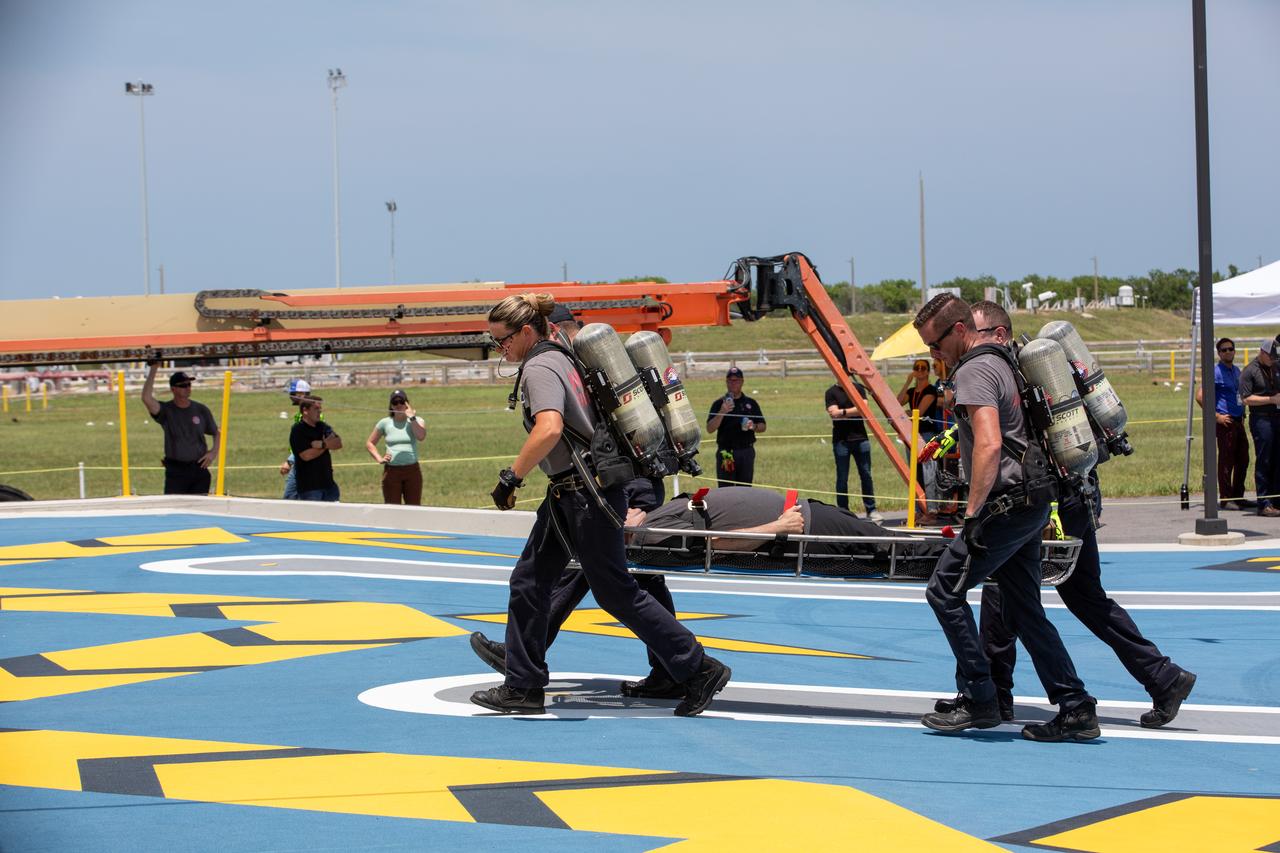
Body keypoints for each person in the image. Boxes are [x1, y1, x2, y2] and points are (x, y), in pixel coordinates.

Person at [932, 302, 1197, 729]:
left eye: (984, 332)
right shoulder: (1020, 371)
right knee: (1056, 598)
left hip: (1053, 501)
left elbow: (999, 444)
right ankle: (1156, 678)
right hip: (1068, 494)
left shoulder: (1006, 367)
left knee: (1015, 598)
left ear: (999, 333)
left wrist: (978, 511)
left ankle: (995, 695)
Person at [473, 293, 729, 717]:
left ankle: (698, 667)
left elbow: (549, 428)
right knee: (530, 582)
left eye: (501, 340)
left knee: (615, 591)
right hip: (571, 491)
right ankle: (522, 685)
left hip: (584, 494)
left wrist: (511, 477)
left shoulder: (539, 365)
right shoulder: (562, 356)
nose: (499, 349)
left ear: (525, 331)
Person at [913, 293, 1098, 742]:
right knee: (1023, 608)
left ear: (958, 331)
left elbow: (991, 444)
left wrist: (973, 516)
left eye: (935, 346)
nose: (933, 356)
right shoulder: (1004, 360)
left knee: (943, 592)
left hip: (1005, 505)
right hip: (1033, 499)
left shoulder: (975, 369)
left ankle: (980, 697)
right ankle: (1075, 706)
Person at [468, 476, 689, 699]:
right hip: (619, 481)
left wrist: (511, 478)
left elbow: (550, 438)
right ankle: (675, 670)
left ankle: (683, 668)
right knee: (613, 576)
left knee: (623, 580)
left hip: (621, 482)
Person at [140, 364, 220, 495]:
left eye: (189, 385)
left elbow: (216, 432)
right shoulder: (166, 410)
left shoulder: (201, 409)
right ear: (173, 389)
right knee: (174, 509)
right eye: (183, 385)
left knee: (199, 510)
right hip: (176, 471)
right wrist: (154, 368)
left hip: (199, 468)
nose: (187, 388)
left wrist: (213, 452)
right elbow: (146, 398)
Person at [1197, 338, 1254, 511]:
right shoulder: (1215, 372)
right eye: (1224, 350)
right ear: (1219, 353)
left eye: (1231, 349)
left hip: (1238, 420)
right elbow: (1200, 396)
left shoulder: (1236, 371)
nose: (1228, 352)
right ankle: (1226, 498)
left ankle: (1238, 496)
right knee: (1226, 460)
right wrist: (1216, 416)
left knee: (1243, 459)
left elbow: (1239, 395)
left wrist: (1242, 413)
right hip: (1225, 422)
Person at [824, 380, 881, 521]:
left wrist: (842, 412)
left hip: (861, 439)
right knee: (842, 477)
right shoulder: (831, 392)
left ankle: (871, 509)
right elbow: (833, 414)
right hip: (841, 441)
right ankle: (843, 512)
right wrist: (853, 410)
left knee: (866, 475)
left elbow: (863, 408)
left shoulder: (858, 387)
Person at [1238, 339, 1280, 517]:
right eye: (1270, 357)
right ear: (1262, 353)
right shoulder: (1249, 371)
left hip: (1277, 418)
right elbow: (1246, 399)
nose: (1273, 360)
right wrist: (1271, 400)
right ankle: (1264, 503)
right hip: (1261, 419)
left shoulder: (1275, 367)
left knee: (1278, 459)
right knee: (1264, 459)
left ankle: (1276, 499)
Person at [707, 366, 767, 487]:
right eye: (730, 380)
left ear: (742, 382)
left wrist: (753, 426)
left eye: (736, 380)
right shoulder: (719, 404)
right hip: (726, 453)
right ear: (726, 382)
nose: (733, 383)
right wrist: (722, 412)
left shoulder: (750, 403)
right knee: (726, 490)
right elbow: (710, 429)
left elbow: (763, 426)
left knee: (745, 489)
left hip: (746, 451)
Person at [365, 389, 427, 505]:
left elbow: (421, 436)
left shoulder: (417, 420)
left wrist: (412, 418)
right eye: (395, 402)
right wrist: (379, 458)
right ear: (391, 406)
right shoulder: (385, 423)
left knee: (414, 507)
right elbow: (370, 443)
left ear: (407, 404)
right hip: (392, 471)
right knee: (392, 508)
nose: (398, 405)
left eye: (401, 401)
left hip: (412, 470)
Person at [289, 396, 342, 501]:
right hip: (310, 488)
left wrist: (322, 444)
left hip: (329, 486)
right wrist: (326, 444)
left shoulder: (323, 427)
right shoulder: (298, 430)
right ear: (305, 411)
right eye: (316, 409)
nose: (319, 412)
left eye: (320, 409)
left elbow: (338, 443)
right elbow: (306, 456)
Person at [279, 378, 312, 500]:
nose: (290, 396)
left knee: (290, 498)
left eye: (293, 394)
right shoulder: (305, 414)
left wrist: (290, 461)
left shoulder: (306, 416)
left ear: (302, 395)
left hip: (301, 463)